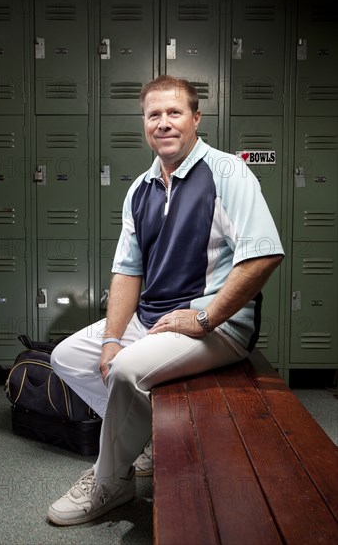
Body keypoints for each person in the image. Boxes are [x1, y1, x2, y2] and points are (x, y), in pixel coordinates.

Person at [47, 75, 284, 526]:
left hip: (217, 324)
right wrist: (114, 336)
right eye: (153, 114)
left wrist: (206, 317)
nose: (163, 123)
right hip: (154, 318)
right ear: (144, 124)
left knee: (127, 370)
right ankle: (148, 441)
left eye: (174, 112)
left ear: (196, 118)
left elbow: (264, 254)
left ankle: (111, 481)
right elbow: (127, 271)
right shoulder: (140, 188)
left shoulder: (228, 172)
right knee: (70, 357)